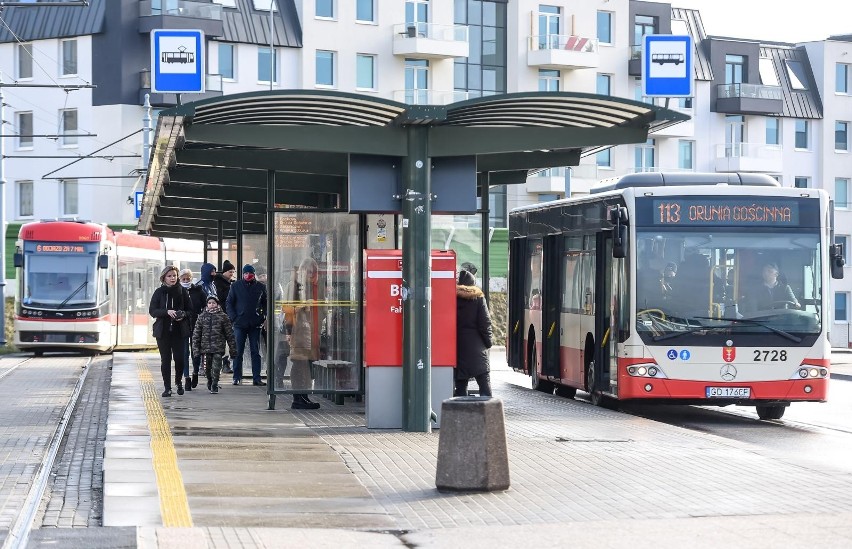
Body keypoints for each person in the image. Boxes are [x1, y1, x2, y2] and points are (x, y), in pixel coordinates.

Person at [149, 265, 193, 397]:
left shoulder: (182, 291)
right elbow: (152, 311)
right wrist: (166, 312)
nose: (172, 278)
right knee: (166, 359)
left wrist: (182, 314)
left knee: (180, 359)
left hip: (179, 331)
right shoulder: (159, 292)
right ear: (164, 278)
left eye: (174, 275)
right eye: (169, 276)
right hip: (163, 331)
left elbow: (191, 310)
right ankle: (167, 387)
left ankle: (178, 381)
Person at [288, 258, 322, 410]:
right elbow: (287, 309)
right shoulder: (294, 285)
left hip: (312, 330)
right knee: (299, 363)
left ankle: (304, 395)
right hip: (299, 330)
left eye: (312, 272)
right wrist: (303, 305)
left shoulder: (314, 286)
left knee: (306, 365)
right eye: (307, 271)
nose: (310, 274)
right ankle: (298, 397)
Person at [226, 264, 268, 386]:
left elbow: (265, 303)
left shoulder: (261, 287)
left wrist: (262, 316)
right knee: (238, 351)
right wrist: (234, 318)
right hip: (239, 324)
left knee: (255, 351)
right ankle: (237, 376)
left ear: (254, 274)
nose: (248, 275)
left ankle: (257, 377)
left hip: (255, 324)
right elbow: (229, 303)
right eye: (245, 273)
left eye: (250, 273)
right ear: (242, 274)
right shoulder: (236, 286)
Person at [454, 269, 493, 397]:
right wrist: (488, 343)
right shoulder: (478, 298)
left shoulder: (452, 298)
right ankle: (488, 415)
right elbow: (485, 323)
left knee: (460, 385)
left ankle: (460, 415)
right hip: (477, 348)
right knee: (484, 385)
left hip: (458, 348)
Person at [192, 295, 237, 394]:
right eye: (209, 303)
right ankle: (210, 380)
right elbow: (196, 334)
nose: (211, 305)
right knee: (207, 368)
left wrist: (233, 350)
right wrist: (196, 350)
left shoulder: (223, 317)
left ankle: (215, 383)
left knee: (216, 366)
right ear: (207, 305)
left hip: (218, 347)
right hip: (205, 348)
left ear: (217, 304)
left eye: (213, 303)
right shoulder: (202, 317)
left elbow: (229, 334)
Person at [187, 263, 218, 390]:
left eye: (215, 271)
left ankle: (207, 372)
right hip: (201, 322)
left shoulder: (212, 285)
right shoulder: (201, 286)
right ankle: (199, 369)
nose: (214, 274)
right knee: (199, 347)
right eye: (212, 271)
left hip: (212, 320)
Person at [178, 268, 198, 391]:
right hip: (182, 326)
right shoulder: (177, 291)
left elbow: (204, 304)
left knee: (196, 352)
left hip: (196, 325)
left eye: (188, 278)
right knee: (185, 353)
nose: (186, 281)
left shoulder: (198, 290)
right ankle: (186, 377)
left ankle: (195, 372)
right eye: (183, 279)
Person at [214, 260, 236, 373]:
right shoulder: (219, 283)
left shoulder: (231, 283)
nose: (232, 274)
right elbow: (220, 297)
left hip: (230, 315)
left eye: (233, 272)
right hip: (222, 315)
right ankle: (224, 363)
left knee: (229, 340)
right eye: (230, 271)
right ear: (224, 272)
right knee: (223, 340)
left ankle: (228, 363)